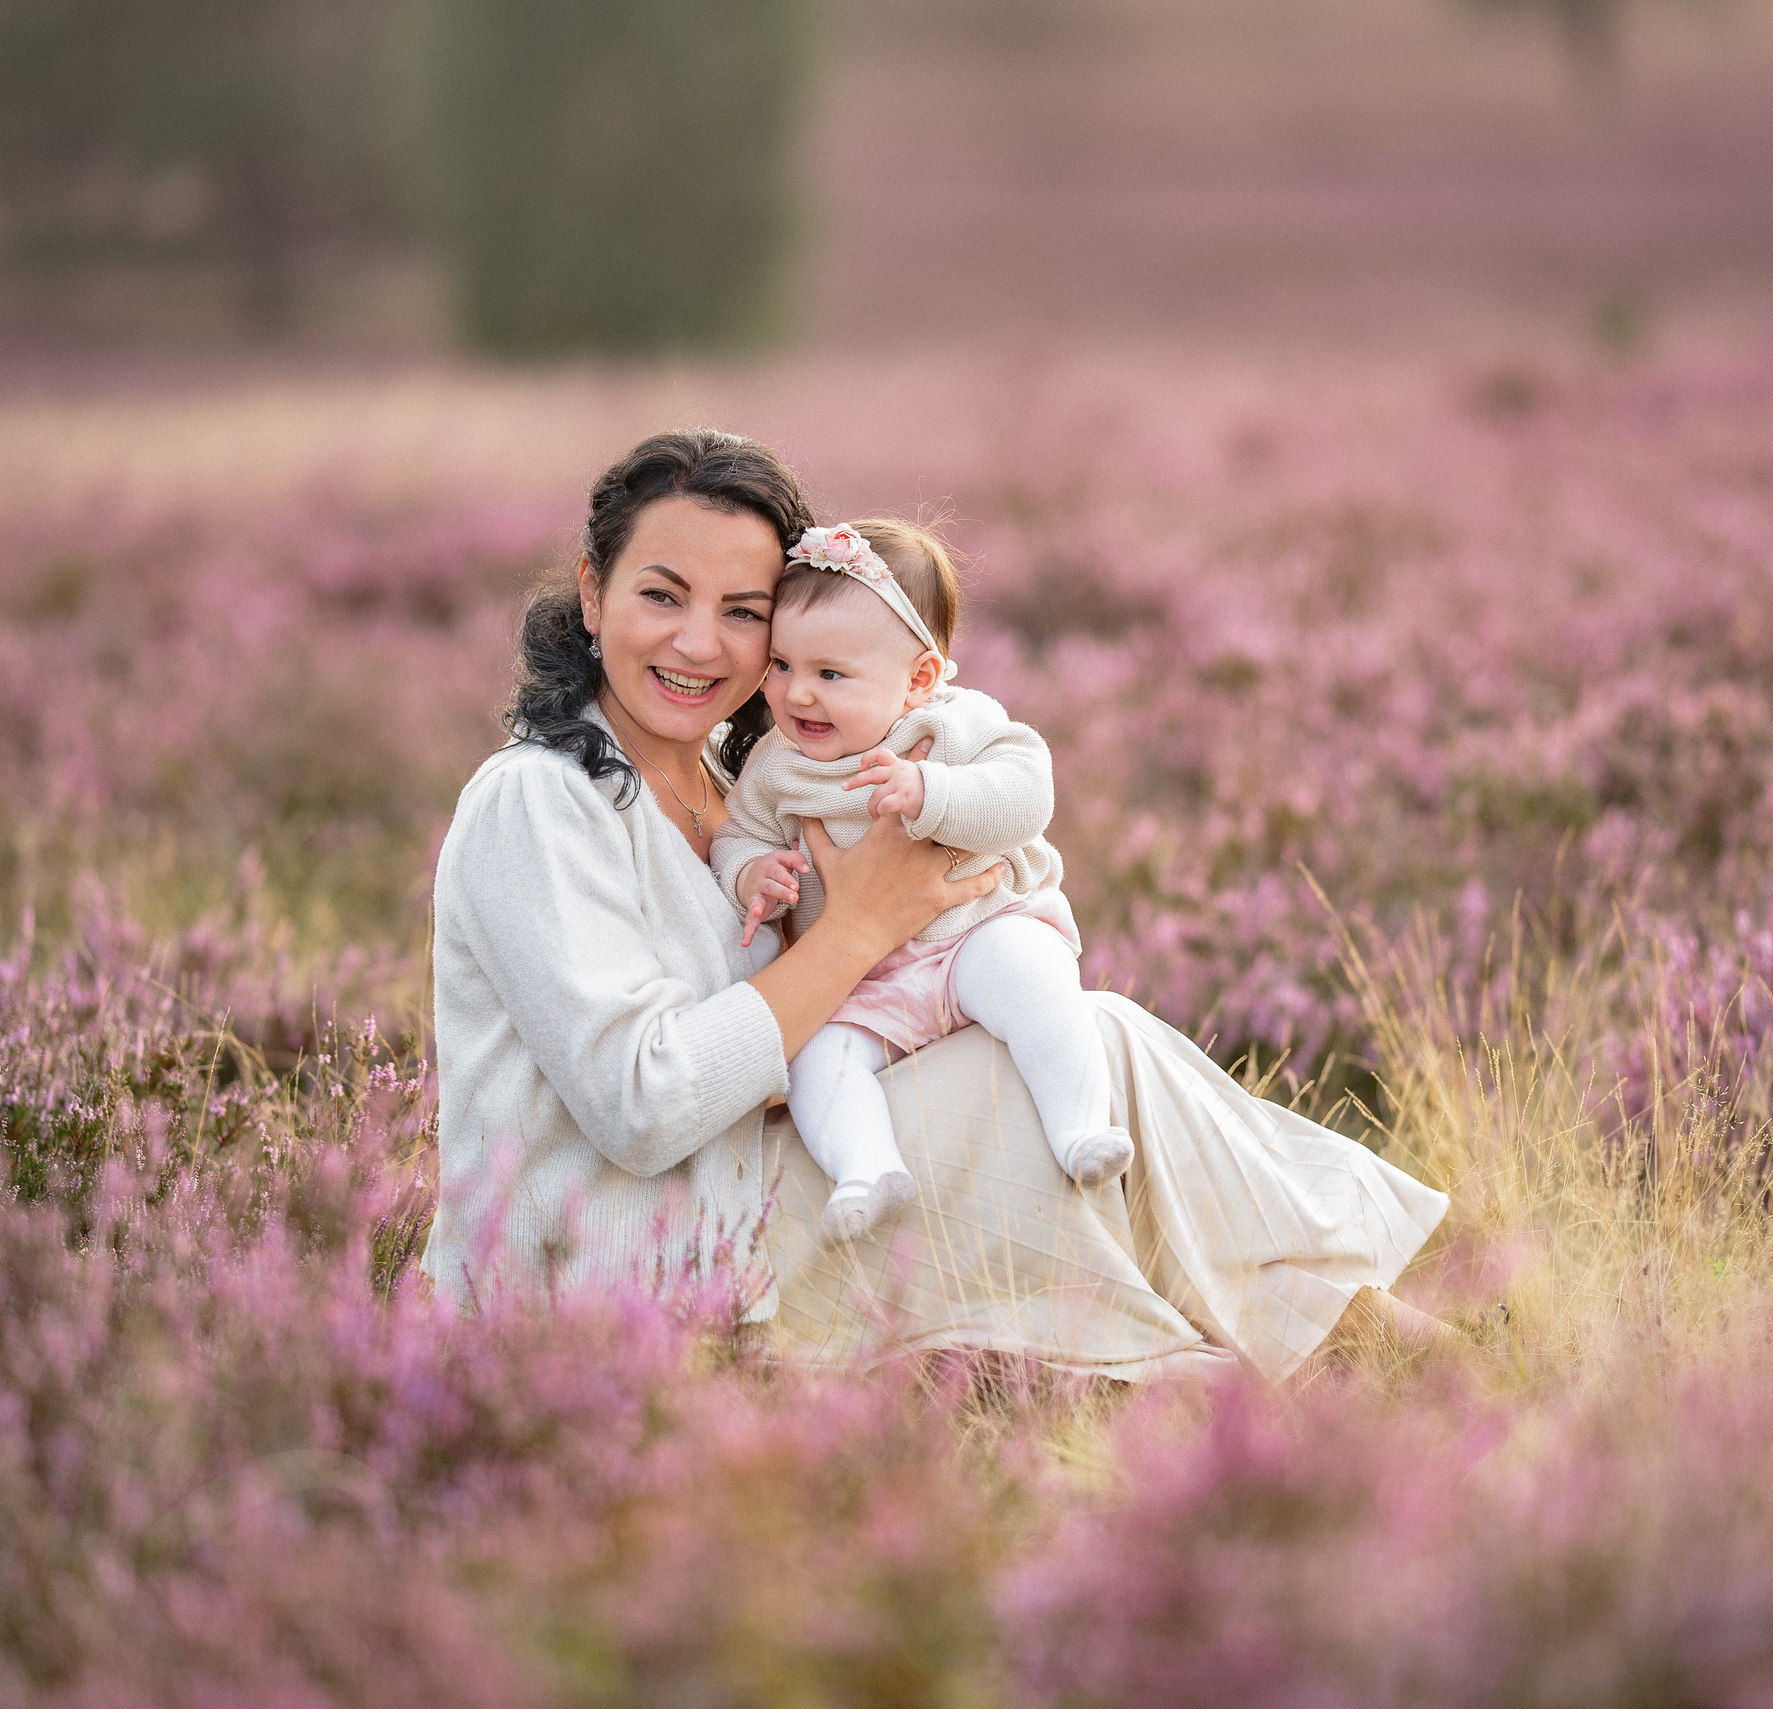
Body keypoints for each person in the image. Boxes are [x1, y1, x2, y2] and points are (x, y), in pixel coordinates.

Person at [421, 428, 1447, 1381]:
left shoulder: (734, 800)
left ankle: (1346, 1338)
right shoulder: (538, 798)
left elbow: (778, 1052)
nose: (701, 643)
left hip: (749, 1185)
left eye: (743, 612)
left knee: (1094, 1043)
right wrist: (866, 923)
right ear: (593, 595)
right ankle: (1365, 1346)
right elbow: (644, 1107)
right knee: (1098, 1066)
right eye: (662, 595)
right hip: (618, 1276)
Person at [712, 518, 1128, 1245]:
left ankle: (1082, 1128)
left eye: (830, 674)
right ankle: (866, 1169)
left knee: (1039, 985)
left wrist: (933, 791)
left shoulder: (954, 725)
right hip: (867, 981)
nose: (798, 695)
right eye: (782, 665)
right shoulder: (778, 765)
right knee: (817, 1057)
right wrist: (753, 869)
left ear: (920, 679)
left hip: (976, 936)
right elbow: (739, 831)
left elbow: (1027, 793)